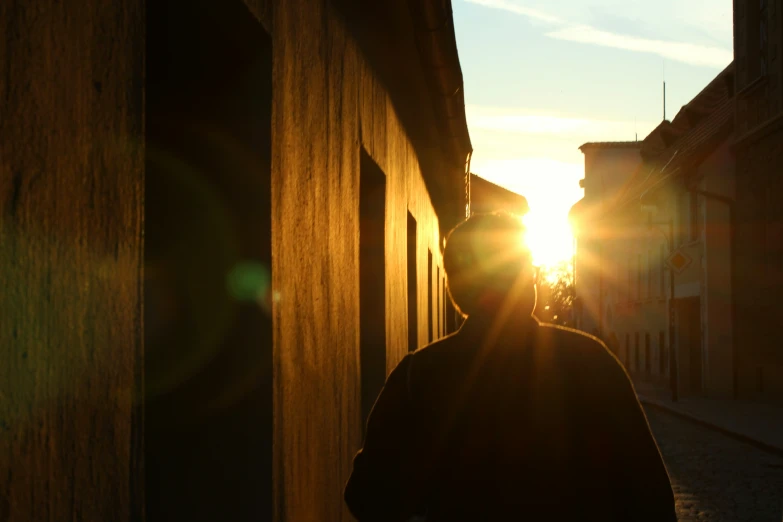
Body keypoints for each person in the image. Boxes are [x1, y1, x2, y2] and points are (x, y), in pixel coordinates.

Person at [344, 212, 676, 521]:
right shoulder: (591, 361)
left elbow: (365, 496)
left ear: (455, 287)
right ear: (527, 280)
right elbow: (651, 495)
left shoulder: (416, 377)